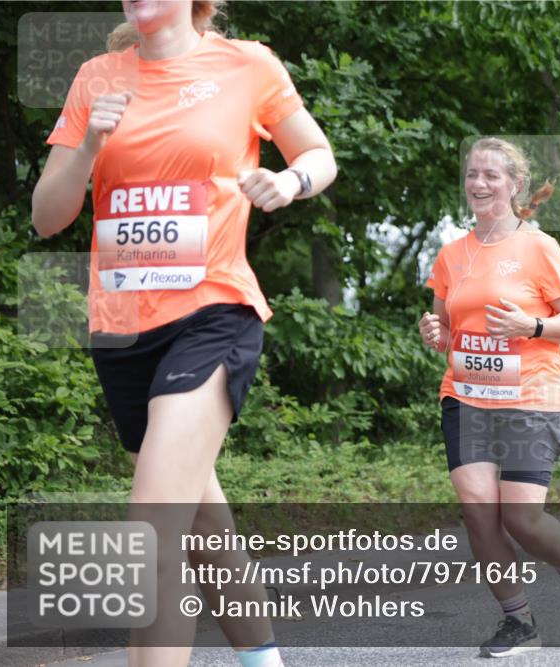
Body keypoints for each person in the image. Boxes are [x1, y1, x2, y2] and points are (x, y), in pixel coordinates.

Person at [31, 1, 337, 665]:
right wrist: (87, 147)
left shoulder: (245, 65)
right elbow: (48, 216)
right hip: (120, 331)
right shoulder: (96, 76)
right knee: (202, 522)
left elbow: (317, 151)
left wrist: (291, 179)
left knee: (153, 530)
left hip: (213, 313)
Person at [419, 137, 560, 657]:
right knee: (479, 512)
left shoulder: (539, 246)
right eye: (472, 174)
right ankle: (518, 621)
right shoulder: (451, 255)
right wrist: (435, 334)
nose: (478, 183)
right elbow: (448, 331)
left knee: (520, 519)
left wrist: (534, 324)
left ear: (515, 184)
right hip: (466, 395)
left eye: (491, 175)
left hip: (530, 395)